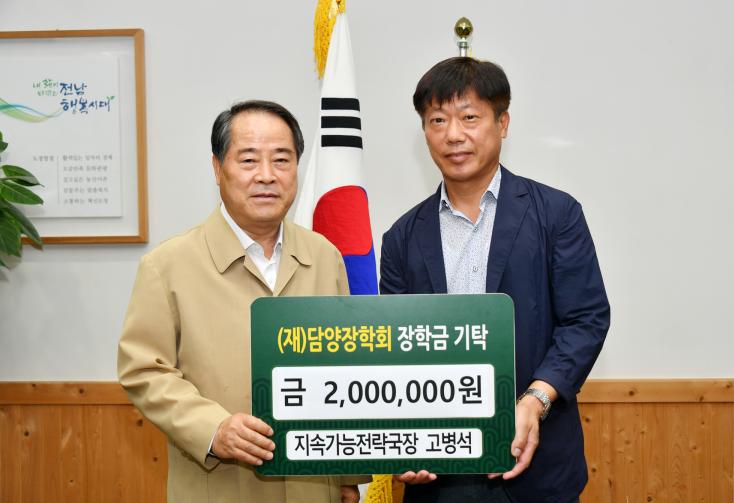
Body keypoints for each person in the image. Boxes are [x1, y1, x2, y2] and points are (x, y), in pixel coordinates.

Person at [379, 58, 610, 503]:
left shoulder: (556, 214)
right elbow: (395, 349)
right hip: (437, 476)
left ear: (502, 123)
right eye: (437, 120)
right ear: (424, 131)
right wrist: (403, 439)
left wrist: (536, 400)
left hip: (538, 471)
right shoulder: (401, 238)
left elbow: (586, 320)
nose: (453, 134)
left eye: (469, 117)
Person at [118, 100, 367, 503]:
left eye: (281, 160)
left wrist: (346, 477)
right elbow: (144, 370)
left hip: (311, 487)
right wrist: (213, 428)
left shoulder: (325, 256)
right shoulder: (168, 265)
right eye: (249, 160)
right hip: (220, 486)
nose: (266, 175)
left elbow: (343, 367)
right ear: (218, 169)